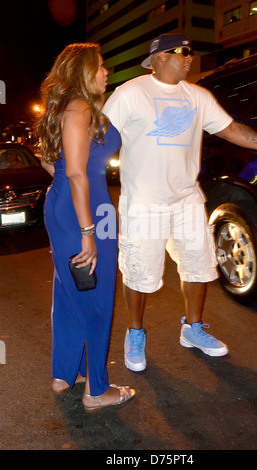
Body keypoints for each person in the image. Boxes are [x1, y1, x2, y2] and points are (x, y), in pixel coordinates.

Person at [103, 34, 257, 373]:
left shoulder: (198, 96)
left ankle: (192, 328)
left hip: (187, 198)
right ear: (159, 57)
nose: (189, 57)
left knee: (199, 265)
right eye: (181, 52)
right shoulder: (130, 93)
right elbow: (102, 137)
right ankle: (135, 332)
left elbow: (231, 129)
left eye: (191, 52)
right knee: (139, 273)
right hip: (144, 203)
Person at [36, 43, 135, 412]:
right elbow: (77, 172)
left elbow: (52, 162)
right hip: (86, 212)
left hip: (72, 207)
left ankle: (65, 374)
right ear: (83, 71)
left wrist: (64, 198)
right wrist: (87, 233)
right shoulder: (78, 107)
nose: (106, 72)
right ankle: (97, 389)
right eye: (101, 67)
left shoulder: (69, 108)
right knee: (97, 295)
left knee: (69, 290)